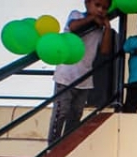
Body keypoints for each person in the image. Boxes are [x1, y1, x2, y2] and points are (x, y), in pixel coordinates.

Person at [48, 0, 113, 144]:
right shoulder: (76, 15)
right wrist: (91, 19)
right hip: (66, 77)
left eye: (105, 8)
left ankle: (66, 142)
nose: (101, 10)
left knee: (76, 114)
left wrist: (107, 28)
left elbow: (105, 50)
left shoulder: (100, 28)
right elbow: (73, 27)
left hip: (84, 79)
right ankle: (52, 144)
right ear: (87, 3)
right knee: (61, 111)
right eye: (97, 5)